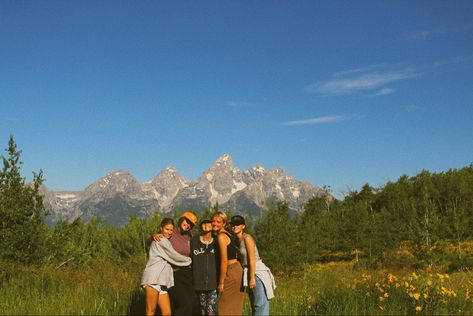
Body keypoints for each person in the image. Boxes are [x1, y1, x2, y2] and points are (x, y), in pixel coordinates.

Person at [141, 218, 192, 316]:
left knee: (167, 313)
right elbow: (174, 256)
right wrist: (190, 260)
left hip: (162, 282)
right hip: (153, 279)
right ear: (161, 228)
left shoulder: (165, 240)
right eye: (167, 229)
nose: (169, 232)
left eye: (171, 230)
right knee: (150, 311)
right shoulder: (161, 240)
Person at [152, 211, 198, 315]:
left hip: (187, 274)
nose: (188, 225)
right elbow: (155, 241)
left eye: (191, 224)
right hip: (173, 274)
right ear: (181, 219)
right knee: (183, 303)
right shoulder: (171, 233)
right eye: (187, 221)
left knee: (191, 304)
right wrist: (153, 235)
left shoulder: (190, 237)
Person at [231, 215, 276, 316]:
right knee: (254, 303)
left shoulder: (247, 238)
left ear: (243, 226)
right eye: (233, 224)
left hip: (257, 272)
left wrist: (252, 278)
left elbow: (251, 259)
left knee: (260, 304)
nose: (235, 226)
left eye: (238, 224)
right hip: (248, 271)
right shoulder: (235, 241)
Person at [212, 211, 245, 315]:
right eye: (213, 221)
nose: (215, 224)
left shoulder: (221, 237)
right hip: (237, 270)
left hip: (230, 270)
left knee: (223, 307)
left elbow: (224, 260)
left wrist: (221, 282)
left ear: (224, 224)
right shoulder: (228, 234)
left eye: (218, 222)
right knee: (234, 307)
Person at [190, 218, 218, 316]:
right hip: (199, 282)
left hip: (213, 283)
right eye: (203, 223)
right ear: (201, 226)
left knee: (210, 311)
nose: (206, 225)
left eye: (208, 223)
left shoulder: (217, 241)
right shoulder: (194, 240)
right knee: (202, 310)